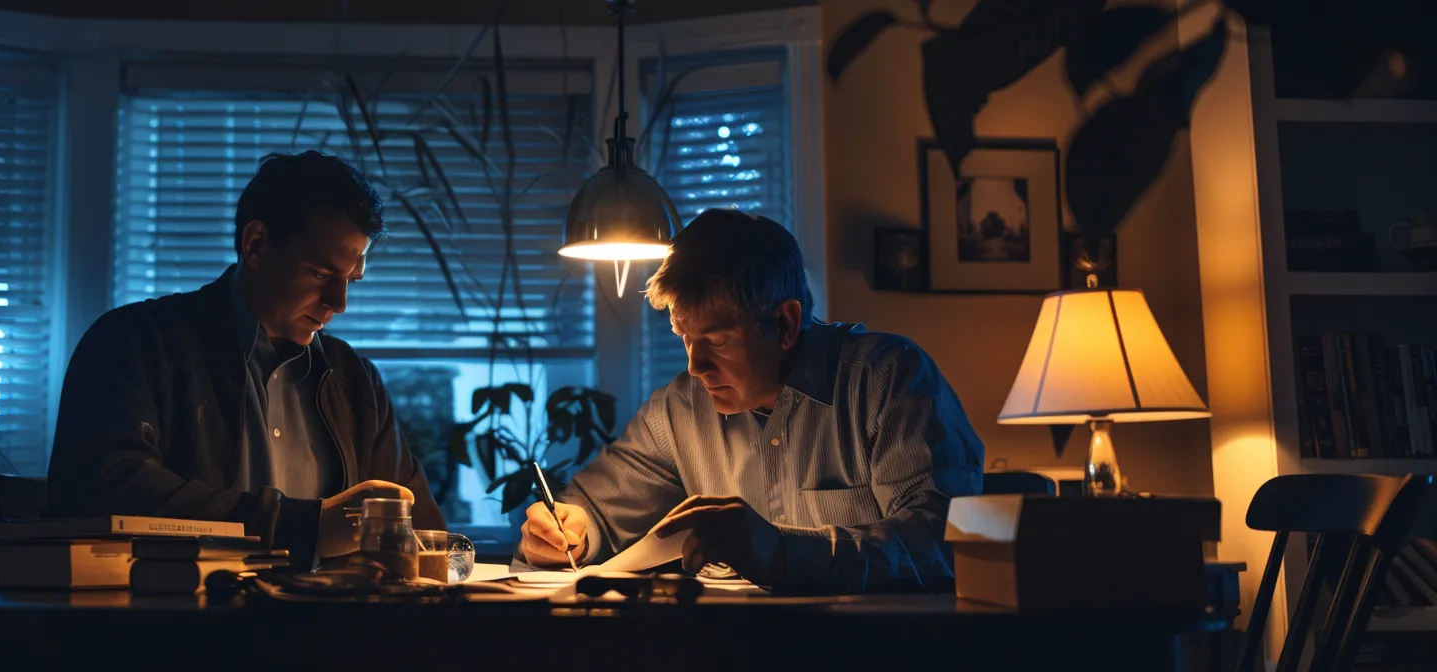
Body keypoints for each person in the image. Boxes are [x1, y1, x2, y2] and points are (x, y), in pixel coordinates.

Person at [519, 209, 983, 592]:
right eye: (685, 338)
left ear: (785, 323)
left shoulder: (887, 381)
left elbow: (944, 542)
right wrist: (572, 530)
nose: (696, 366)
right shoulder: (680, 409)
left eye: (718, 341)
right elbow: (597, 509)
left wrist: (784, 551)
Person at [48, 151, 443, 571]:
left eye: (350, 280)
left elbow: (422, 533)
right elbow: (103, 485)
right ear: (255, 245)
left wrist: (522, 548)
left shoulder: (355, 381)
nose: (338, 303)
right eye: (321, 274)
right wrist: (304, 526)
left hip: (328, 630)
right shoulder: (135, 342)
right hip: (178, 624)